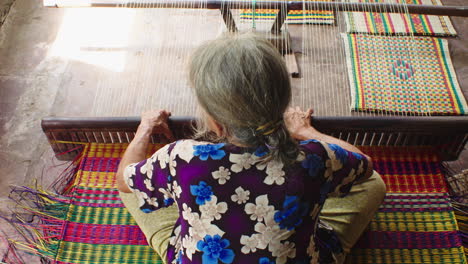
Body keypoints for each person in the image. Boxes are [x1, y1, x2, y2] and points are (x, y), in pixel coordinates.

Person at [116, 33, 386, 264]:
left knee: (133, 186)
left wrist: (146, 127)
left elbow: (123, 181)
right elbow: (365, 165)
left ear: (216, 123)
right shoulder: (316, 157)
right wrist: (306, 131)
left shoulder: (181, 158)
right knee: (373, 184)